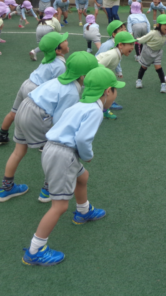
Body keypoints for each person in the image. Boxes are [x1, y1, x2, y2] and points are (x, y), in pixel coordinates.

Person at [21, 67, 124, 267]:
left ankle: (83, 211)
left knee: (82, 177)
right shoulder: (95, 111)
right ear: (108, 91)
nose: (115, 94)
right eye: (116, 90)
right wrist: (88, 156)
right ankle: (35, 250)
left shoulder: (80, 104)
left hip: (54, 149)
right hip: (63, 155)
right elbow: (83, 139)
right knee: (59, 206)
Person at [0, 52, 99, 204]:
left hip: (24, 108)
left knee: (19, 150)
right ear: (84, 76)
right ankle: (47, 190)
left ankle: (6, 188)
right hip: (37, 117)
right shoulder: (72, 92)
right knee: (51, 150)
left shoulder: (58, 80)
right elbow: (60, 121)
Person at [0, 32, 69, 145]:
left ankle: (1, 134)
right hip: (37, 91)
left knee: (14, 112)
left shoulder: (47, 58)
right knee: (43, 118)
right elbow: (57, 85)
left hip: (27, 84)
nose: (66, 41)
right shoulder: (60, 65)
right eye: (64, 41)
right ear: (58, 50)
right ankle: (43, 144)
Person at [96, 32, 135, 120]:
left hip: (101, 74)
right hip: (95, 74)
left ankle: (104, 108)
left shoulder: (118, 54)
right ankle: (103, 110)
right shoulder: (113, 54)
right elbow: (98, 65)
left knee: (108, 91)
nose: (132, 47)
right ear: (120, 45)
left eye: (133, 44)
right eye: (130, 44)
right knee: (110, 91)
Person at [95, 20, 127, 115]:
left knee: (109, 87)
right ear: (114, 34)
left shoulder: (119, 44)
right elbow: (100, 60)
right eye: (121, 30)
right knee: (104, 88)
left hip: (106, 71)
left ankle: (108, 103)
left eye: (125, 29)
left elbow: (117, 59)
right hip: (99, 71)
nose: (125, 32)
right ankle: (104, 106)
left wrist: (119, 71)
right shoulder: (108, 45)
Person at [136, 14, 166, 93]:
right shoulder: (153, 33)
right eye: (165, 24)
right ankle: (139, 80)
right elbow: (142, 39)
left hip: (158, 52)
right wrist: (136, 39)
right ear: (158, 25)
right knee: (144, 67)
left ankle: (163, 84)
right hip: (148, 51)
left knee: (158, 68)